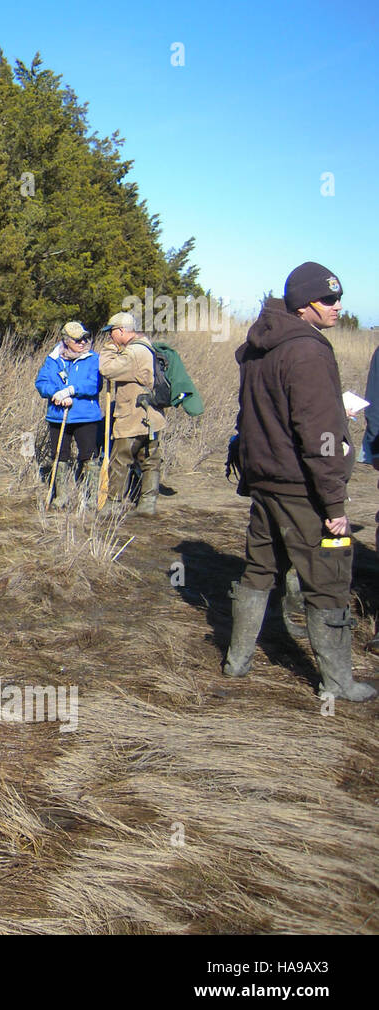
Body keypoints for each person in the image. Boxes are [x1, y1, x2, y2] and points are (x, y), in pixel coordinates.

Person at [224, 262, 375, 702]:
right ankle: (338, 682)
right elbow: (318, 434)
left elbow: (258, 414)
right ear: (304, 304)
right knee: (328, 580)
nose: (337, 307)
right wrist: (335, 507)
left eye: (338, 298)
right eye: (328, 299)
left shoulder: (258, 345)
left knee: (259, 570)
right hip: (301, 488)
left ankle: (236, 661)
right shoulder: (307, 350)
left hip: (265, 481)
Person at [98, 311, 166, 515]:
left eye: (111, 332)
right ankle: (147, 504)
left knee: (120, 460)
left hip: (133, 416)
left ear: (120, 331)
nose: (110, 336)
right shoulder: (147, 346)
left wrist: (109, 350)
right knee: (150, 459)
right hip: (151, 416)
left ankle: (113, 506)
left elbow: (107, 369)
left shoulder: (134, 352)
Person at [34, 321, 103, 508]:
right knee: (59, 455)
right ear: (66, 341)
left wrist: (72, 390)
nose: (83, 342)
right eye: (78, 339)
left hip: (86, 416)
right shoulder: (53, 359)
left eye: (85, 338)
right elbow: (41, 382)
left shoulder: (93, 358)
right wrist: (56, 393)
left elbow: (95, 384)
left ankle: (90, 500)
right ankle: (61, 497)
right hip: (58, 415)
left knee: (89, 456)